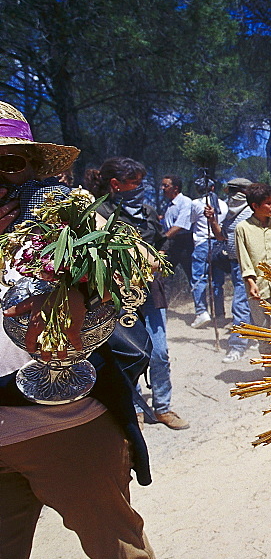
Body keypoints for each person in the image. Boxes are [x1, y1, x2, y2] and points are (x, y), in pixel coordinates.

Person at [0, 102, 166, 559]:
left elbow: (130, 272)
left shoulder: (66, 220)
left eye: (9, 164)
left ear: (32, 168)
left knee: (119, 552)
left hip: (67, 426)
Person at [96, 157, 189, 430]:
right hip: (119, 295)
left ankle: (162, 407)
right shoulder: (100, 213)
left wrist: (159, 257)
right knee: (130, 351)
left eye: (140, 182)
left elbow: (161, 242)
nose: (140, 188)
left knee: (159, 351)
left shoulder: (148, 212)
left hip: (152, 290)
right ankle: (133, 406)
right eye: (134, 183)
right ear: (116, 184)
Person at [235, 183, 271, 357]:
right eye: (268, 203)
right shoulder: (242, 229)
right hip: (257, 289)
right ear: (255, 206)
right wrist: (251, 283)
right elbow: (244, 260)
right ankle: (270, 372)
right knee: (264, 333)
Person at [219, 177, 255, 363]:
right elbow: (222, 236)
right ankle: (253, 336)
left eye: (236, 191)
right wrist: (211, 220)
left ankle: (237, 345)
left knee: (240, 304)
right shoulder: (230, 214)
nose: (232, 196)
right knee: (247, 303)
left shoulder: (251, 212)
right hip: (234, 263)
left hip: (248, 264)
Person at [190, 177, 228, 329]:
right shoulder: (224, 205)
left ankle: (201, 312)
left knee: (198, 278)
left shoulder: (196, 203)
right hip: (219, 243)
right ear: (213, 188)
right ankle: (219, 313)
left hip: (202, 242)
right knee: (217, 281)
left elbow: (192, 220)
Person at [159, 175, 195, 293]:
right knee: (166, 274)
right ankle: (165, 307)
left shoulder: (185, 202)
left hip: (184, 243)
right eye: (162, 185)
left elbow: (180, 225)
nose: (162, 188)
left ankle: (201, 308)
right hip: (171, 243)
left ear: (175, 188)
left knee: (192, 275)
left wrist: (162, 239)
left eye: (166, 185)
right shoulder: (169, 205)